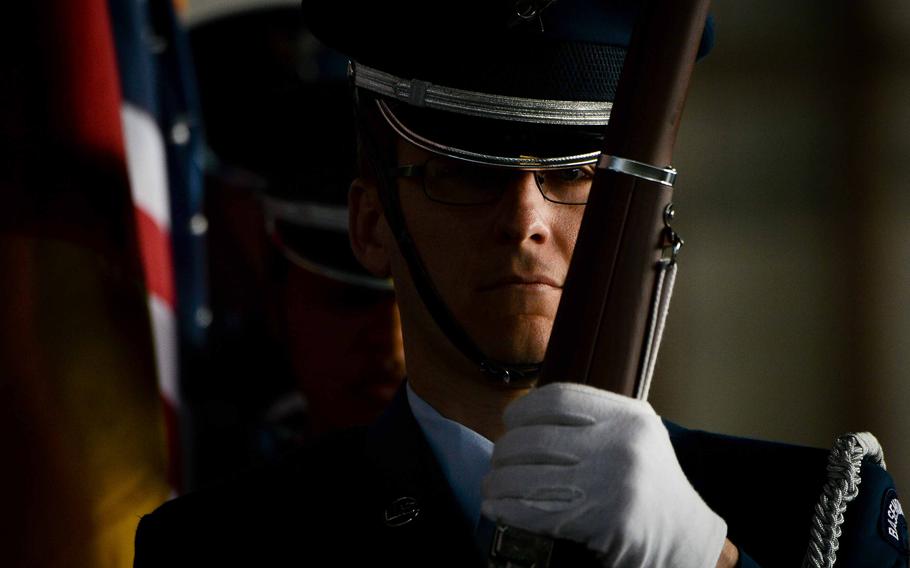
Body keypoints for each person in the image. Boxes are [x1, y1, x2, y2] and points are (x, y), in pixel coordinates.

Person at [134, 2, 908, 567]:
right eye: (467, 176)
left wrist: (706, 560)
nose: (526, 219)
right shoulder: (224, 548)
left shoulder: (816, 515)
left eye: (574, 176)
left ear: (649, 225)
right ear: (371, 225)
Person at [183, 4, 406, 480]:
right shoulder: (195, 469)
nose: (391, 345)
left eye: (419, 305)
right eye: (349, 300)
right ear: (275, 293)